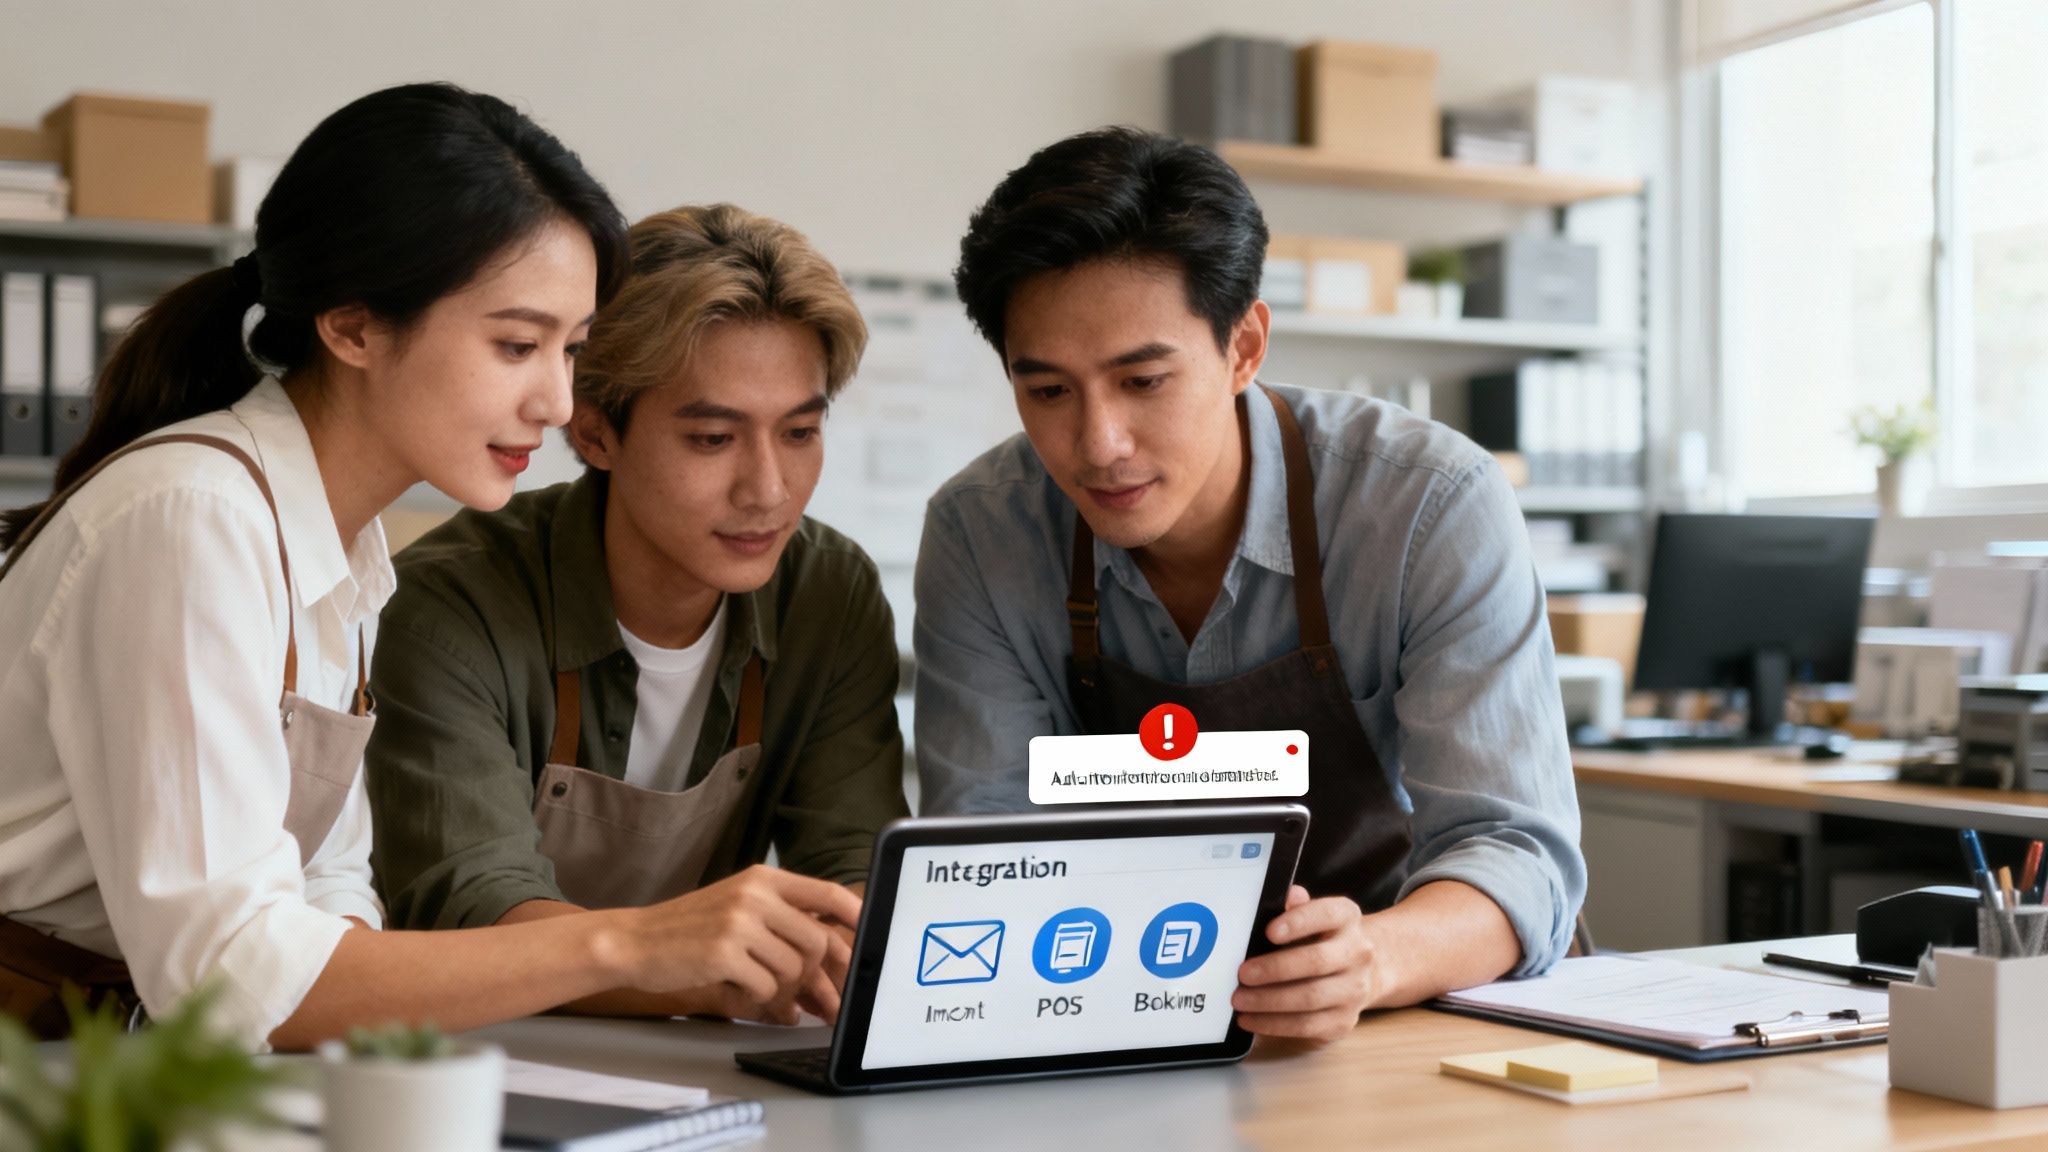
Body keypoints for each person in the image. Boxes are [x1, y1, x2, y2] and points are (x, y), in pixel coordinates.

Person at [0, 85, 855, 1050]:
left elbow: (326, 884)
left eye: (572, 350)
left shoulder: (343, 543)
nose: (557, 403)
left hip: (138, 1057)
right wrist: (627, 946)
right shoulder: (195, 518)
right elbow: (230, 974)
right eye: (517, 345)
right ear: (354, 327)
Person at [914, 127, 1585, 1041]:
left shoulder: (1428, 504)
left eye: (1143, 380)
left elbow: (1516, 853)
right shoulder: (982, 534)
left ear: (1244, 346)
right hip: (1113, 1016)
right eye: (1049, 392)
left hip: (1412, 1016)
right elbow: (983, 857)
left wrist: (1372, 959)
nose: (1099, 444)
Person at [365, 203, 906, 1025]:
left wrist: (845, 943)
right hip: (462, 1052)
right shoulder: (449, 607)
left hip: (688, 1054)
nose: (768, 490)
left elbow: (854, 867)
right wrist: (712, 976)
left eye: (800, 432)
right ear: (595, 433)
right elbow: (473, 905)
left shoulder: (826, 595)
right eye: (713, 439)